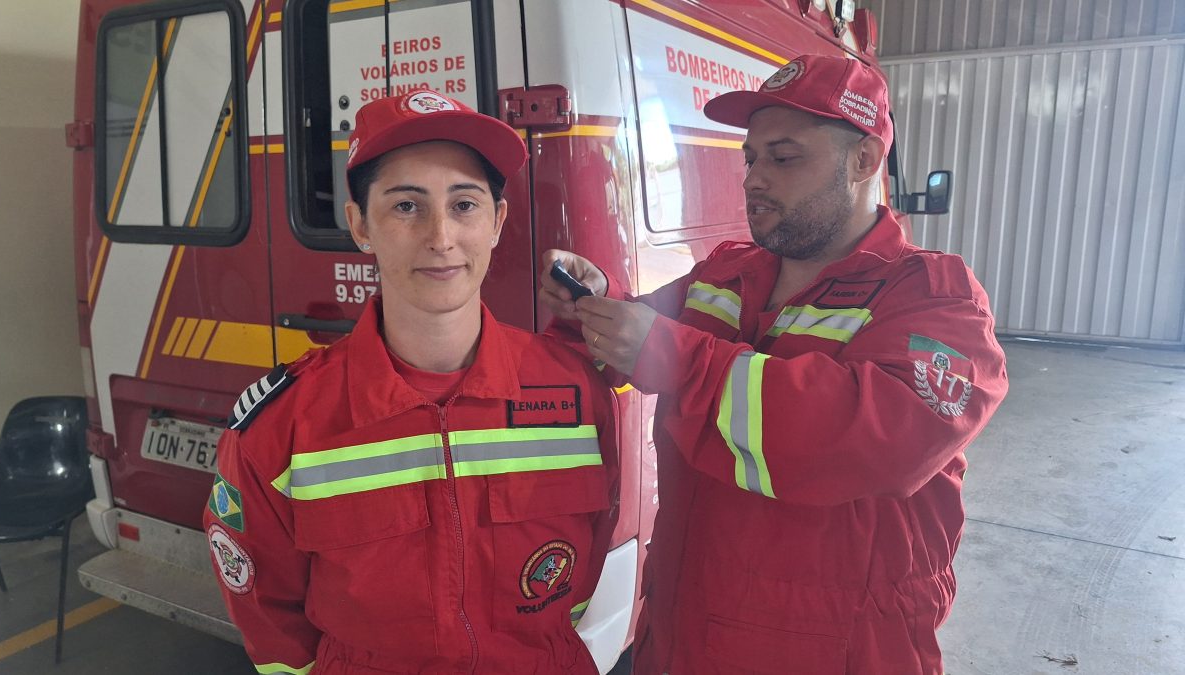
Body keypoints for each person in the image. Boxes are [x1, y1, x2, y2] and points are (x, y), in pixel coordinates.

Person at [539, 54, 1008, 674]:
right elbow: (644, 337)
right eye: (750, 158)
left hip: (829, 651)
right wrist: (597, 308)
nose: (753, 179)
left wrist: (674, 359)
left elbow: (868, 441)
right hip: (682, 631)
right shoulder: (726, 273)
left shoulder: (935, 299)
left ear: (864, 161)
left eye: (783, 158)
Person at [204, 90, 619, 675]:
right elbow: (270, 623)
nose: (441, 236)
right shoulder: (282, 426)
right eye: (406, 206)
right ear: (360, 226)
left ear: (497, 223)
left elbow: (583, 572)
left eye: (465, 204)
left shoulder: (576, 393)